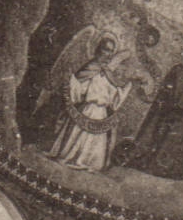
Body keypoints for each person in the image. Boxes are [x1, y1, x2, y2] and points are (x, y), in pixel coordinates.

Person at [123, 40, 183, 179]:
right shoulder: (178, 71)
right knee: (168, 142)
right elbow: (177, 96)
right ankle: (159, 168)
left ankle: (174, 171)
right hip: (174, 116)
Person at [49, 34, 130, 172]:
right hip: (87, 109)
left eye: (111, 51)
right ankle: (72, 158)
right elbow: (78, 89)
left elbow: (115, 94)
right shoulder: (90, 67)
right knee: (77, 136)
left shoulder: (110, 73)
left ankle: (87, 162)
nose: (108, 54)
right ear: (99, 50)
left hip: (101, 113)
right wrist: (71, 80)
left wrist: (127, 87)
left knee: (95, 143)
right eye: (105, 49)